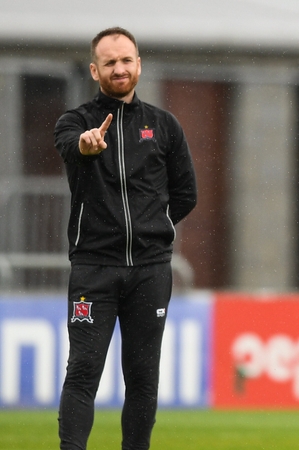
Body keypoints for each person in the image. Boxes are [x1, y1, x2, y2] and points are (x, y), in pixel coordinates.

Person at [54, 27, 197, 450]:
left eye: (126, 60)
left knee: (143, 379)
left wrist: (152, 228)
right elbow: (73, 146)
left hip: (150, 272)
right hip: (94, 269)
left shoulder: (164, 125)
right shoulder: (75, 122)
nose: (119, 68)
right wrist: (87, 146)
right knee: (83, 372)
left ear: (139, 65)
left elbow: (186, 193)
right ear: (94, 71)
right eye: (110, 62)